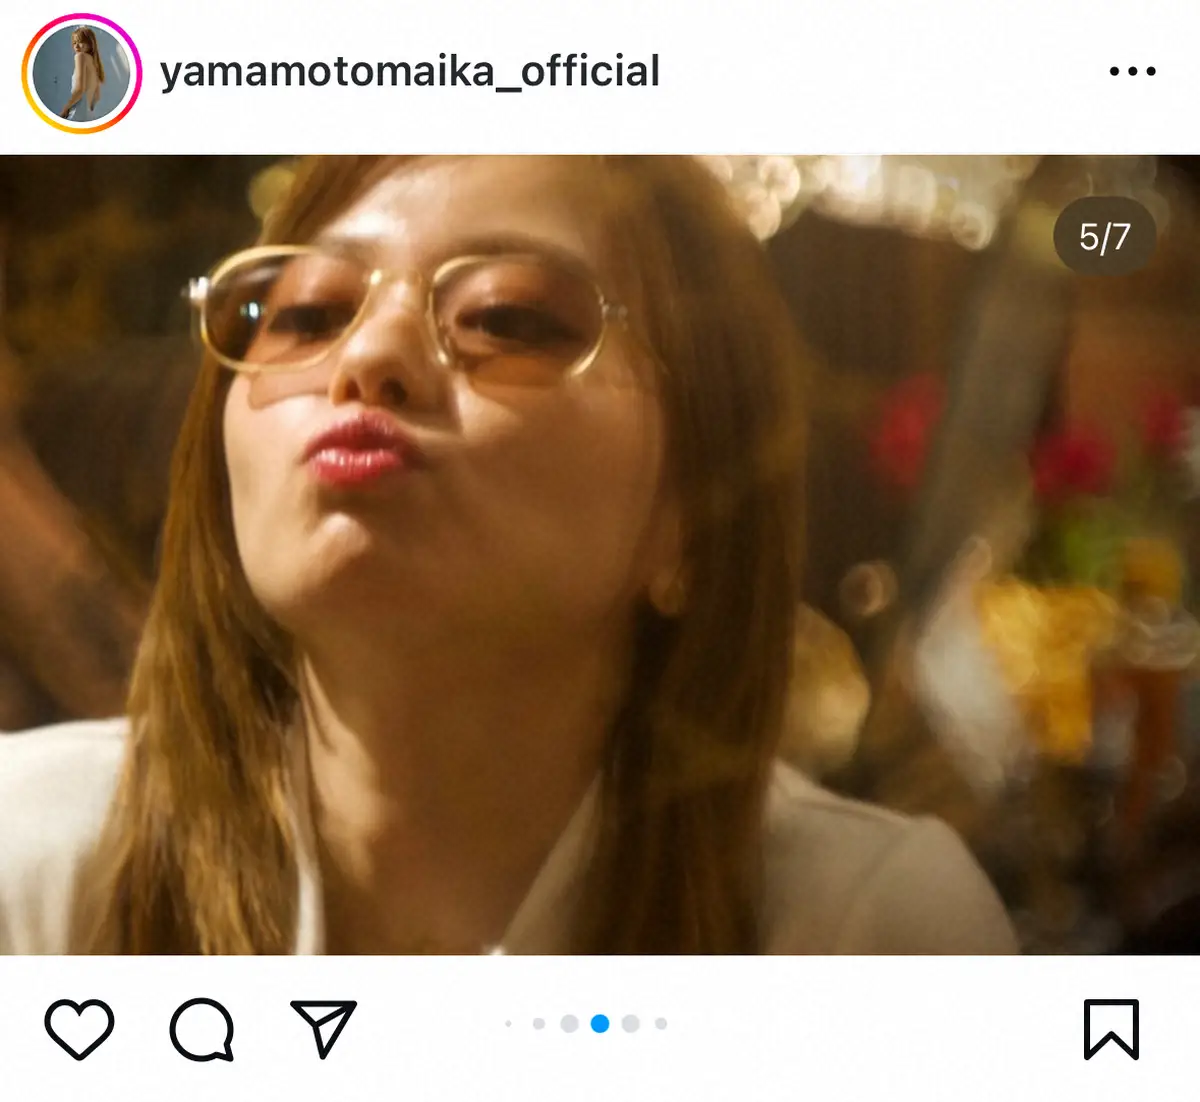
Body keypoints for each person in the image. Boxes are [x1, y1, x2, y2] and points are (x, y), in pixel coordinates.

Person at [0, 155, 1019, 955]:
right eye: (305, 314)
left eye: (504, 318)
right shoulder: (35, 866)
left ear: (693, 512)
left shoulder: (864, 932)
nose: (368, 357)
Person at [60, 27, 104, 122]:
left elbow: (79, 89)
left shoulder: (80, 56)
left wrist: (65, 108)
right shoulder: (94, 63)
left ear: (90, 43)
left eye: (80, 42)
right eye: (74, 43)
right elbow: (97, 96)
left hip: (77, 113)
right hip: (89, 115)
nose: (76, 46)